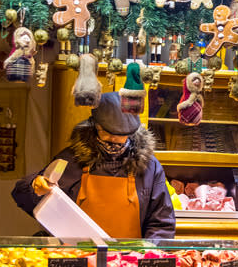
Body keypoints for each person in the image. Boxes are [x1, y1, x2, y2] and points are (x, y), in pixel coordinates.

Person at [12, 92, 175, 239]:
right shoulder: (72, 159)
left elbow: (161, 224)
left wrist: (148, 256)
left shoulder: (149, 167)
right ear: (95, 126)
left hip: (128, 264)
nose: (113, 139)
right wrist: (35, 185)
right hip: (78, 259)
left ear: (131, 132)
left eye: (120, 135)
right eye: (106, 132)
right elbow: (22, 195)